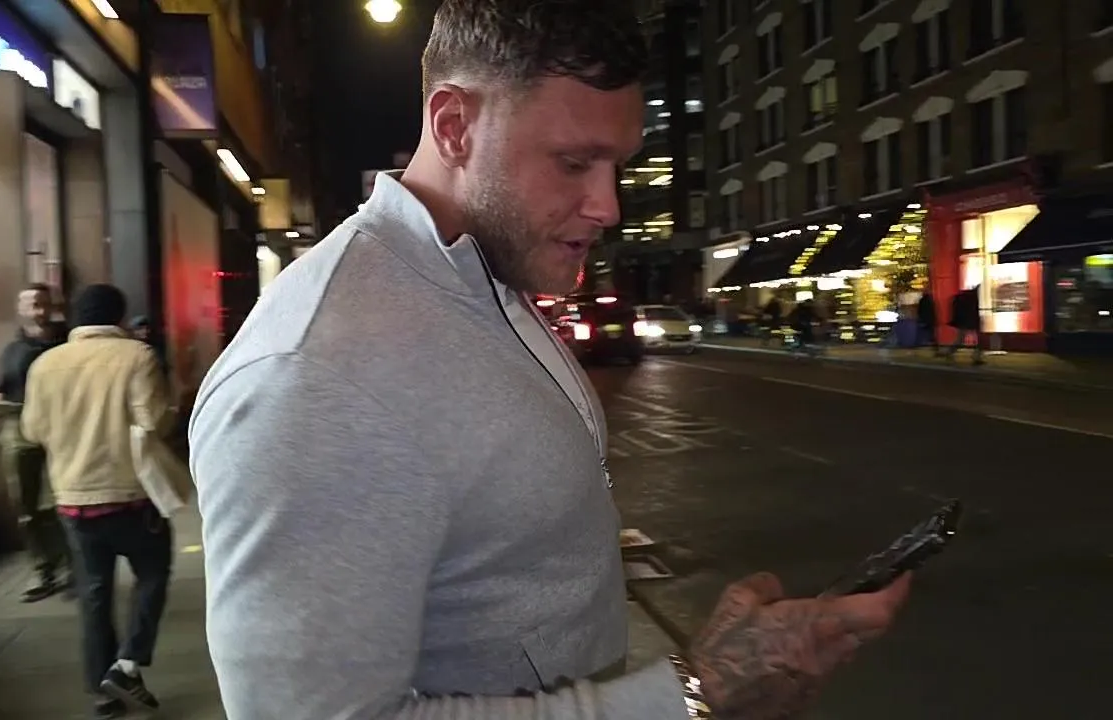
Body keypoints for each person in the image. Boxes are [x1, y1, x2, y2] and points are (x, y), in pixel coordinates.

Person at [189, 2, 911, 718]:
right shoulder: (311, 376)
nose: (608, 206)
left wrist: (701, 674)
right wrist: (696, 695)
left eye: (616, 165)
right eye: (573, 163)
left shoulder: (486, 273)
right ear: (455, 126)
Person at [21, 284, 175, 719]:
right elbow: (153, 420)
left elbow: (32, 430)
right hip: (132, 497)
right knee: (152, 576)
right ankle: (127, 663)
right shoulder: (137, 357)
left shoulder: (45, 364)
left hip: (73, 499)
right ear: (119, 317)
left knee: (94, 594)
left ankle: (102, 696)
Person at [0, 283, 71, 602]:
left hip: (60, 430)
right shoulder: (13, 349)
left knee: (64, 500)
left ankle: (72, 566)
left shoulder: (66, 344)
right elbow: (2, 385)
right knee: (25, 504)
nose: (37, 309)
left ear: (52, 306)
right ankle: (42, 568)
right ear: (20, 309)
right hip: (18, 429)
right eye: (30, 304)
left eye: (42, 303)